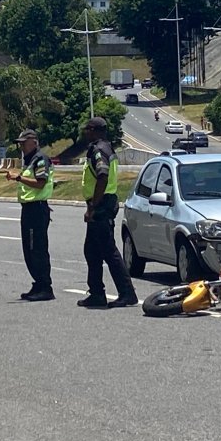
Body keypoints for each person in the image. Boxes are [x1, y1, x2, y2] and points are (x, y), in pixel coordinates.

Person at [78, 117, 138, 309]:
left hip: (101, 205)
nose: (85, 132)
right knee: (92, 251)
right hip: (104, 202)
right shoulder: (106, 147)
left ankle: (127, 293)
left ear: (95, 130)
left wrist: (93, 206)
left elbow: (102, 176)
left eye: (88, 129)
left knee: (109, 251)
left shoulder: (98, 150)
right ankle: (96, 293)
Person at [6, 129, 55, 301]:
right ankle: (38, 283)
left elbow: (40, 183)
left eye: (23, 142)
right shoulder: (28, 160)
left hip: (37, 209)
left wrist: (18, 178)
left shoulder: (40, 159)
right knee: (29, 248)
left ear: (34, 142)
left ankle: (45, 286)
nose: (20, 146)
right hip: (28, 208)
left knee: (37, 248)